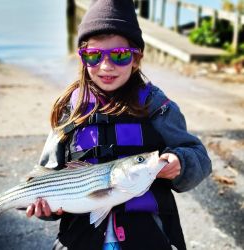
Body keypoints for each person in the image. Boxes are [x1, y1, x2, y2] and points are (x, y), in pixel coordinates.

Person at [25, 0, 212, 249]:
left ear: (136, 58)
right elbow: (46, 175)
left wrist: (182, 162)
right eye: (93, 55)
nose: (106, 66)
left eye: (120, 55)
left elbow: (199, 157)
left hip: (148, 238)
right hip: (80, 239)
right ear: (82, 57)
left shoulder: (157, 106)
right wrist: (45, 209)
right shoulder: (69, 110)